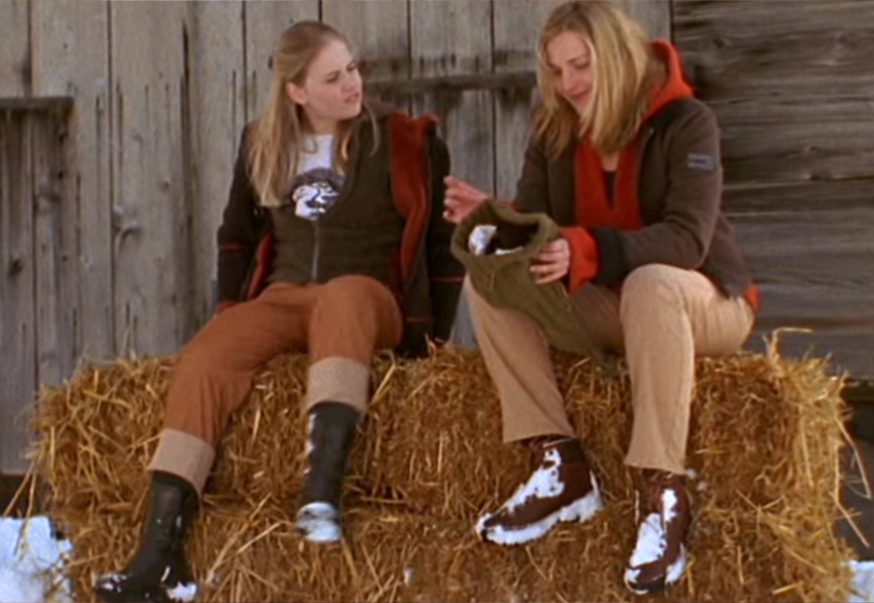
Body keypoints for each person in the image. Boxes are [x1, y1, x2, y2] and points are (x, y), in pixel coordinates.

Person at [93, 21, 462, 603]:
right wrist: (230, 308)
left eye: (352, 69)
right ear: (296, 91)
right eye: (332, 77)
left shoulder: (402, 140)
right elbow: (236, 237)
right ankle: (160, 553)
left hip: (370, 297)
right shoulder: (263, 143)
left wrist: (432, 337)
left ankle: (320, 493)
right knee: (208, 353)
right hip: (286, 295)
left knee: (343, 297)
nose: (352, 84)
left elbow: (442, 246)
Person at [443, 1, 757, 595]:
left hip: (702, 303)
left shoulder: (686, 121)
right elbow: (542, 232)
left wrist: (586, 250)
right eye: (557, 70)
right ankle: (559, 463)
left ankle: (664, 492)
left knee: (652, 282)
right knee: (491, 278)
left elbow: (686, 240)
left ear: (615, 56)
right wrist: (496, 218)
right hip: (612, 307)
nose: (569, 83)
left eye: (581, 64)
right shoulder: (554, 129)